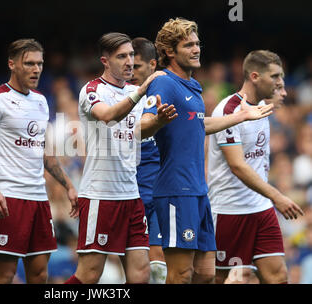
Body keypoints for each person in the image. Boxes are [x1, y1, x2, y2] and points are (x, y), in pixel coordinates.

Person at [140, 18, 275, 284]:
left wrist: (241, 116)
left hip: (199, 191)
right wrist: (157, 120)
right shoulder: (163, 82)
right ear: (169, 51)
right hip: (176, 190)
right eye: (188, 45)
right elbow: (142, 128)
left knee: (206, 274)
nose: (196, 49)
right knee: (179, 274)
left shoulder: (192, 86)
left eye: (197, 43)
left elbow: (199, 125)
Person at [65, 32, 177, 284]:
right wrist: (141, 91)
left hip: (131, 195)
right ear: (105, 60)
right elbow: (107, 116)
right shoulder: (93, 90)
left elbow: (138, 132)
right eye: (121, 57)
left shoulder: (133, 92)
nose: (128, 62)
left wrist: (159, 121)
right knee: (89, 275)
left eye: (131, 56)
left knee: (141, 274)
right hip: (101, 195)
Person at [0, 38, 78, 284]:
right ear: (12, 64)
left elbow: (45, 152)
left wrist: (68, 185)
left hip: (39, 199)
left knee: (40, 273)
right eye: (29, 63)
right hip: (8, 198)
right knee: (5, 275)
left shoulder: (41, 101)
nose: (36, 69)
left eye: (39, 63)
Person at [207, 50, 304, 284]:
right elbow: (237, 166)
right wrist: (277, 196)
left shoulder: (261, 107)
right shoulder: (228, 111)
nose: (280, 82)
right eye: (274, 76)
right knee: (223, 279)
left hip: (261, 208)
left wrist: (270, 199)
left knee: (278, 276)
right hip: (230, 210)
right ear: (254, 76)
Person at [131, 37, 167, 284]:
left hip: (160, 191)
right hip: (128, 194)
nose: (130, 71)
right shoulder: (121, 99)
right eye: (127, 65)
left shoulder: (166, 92)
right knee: (134, 271)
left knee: (159, 265)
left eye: (137, 66)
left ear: (152, 64)